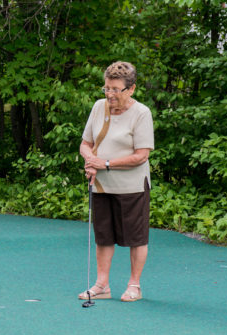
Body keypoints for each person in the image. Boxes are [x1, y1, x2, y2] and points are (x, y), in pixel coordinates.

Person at [78, 61, 154, 302]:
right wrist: (90, 159)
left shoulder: (141, 113)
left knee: (136, 237)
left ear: (131, 89)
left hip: (132, 186)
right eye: (107, 88)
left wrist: (106, 163)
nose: (110, 94)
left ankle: (134, 286)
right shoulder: (99, 107)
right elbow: (85, 143)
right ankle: (102, 285)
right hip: (101, 185)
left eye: (115, 89)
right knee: (103, 235)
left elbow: (142, 155)